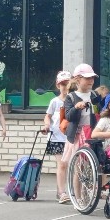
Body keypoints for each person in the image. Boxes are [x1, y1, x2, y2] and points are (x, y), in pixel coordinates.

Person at [61, 63, 101, 166]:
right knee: (78, 166)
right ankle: (75, 182)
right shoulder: (71, 97)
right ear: (78, 79)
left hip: (92, 134)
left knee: (92, 164)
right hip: (77, 135)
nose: (91, 81)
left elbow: (98, 113)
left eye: (92, 78)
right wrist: (76, 107)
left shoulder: (94, 94)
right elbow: (69, 117)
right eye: (87, 78)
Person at [43, 70, 72, 204]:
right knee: (62, 164)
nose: (65, 86)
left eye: (67, 83)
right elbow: (47, 116)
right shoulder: (54, 101)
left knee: (67, 165)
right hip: (57, 137)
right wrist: (47, 126)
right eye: (62, 84)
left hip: (70, 138)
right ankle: (62, 192)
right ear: (57, 85)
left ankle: (60, 190)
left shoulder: (74, 100)